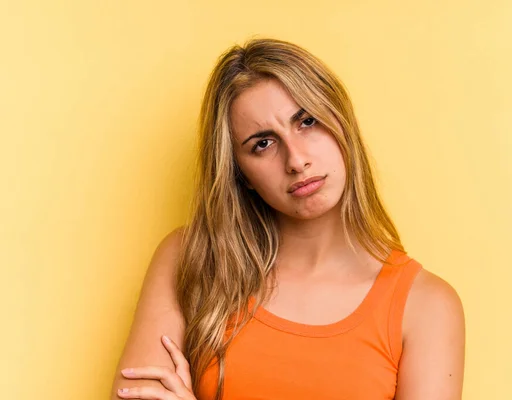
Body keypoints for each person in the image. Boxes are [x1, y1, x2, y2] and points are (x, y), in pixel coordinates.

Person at [110, 38, 466, 400]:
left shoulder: (426, 306)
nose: (296, 160)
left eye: (307, 121)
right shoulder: (192, 258)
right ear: (240, 174)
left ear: (342, 123)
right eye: (262, 144)